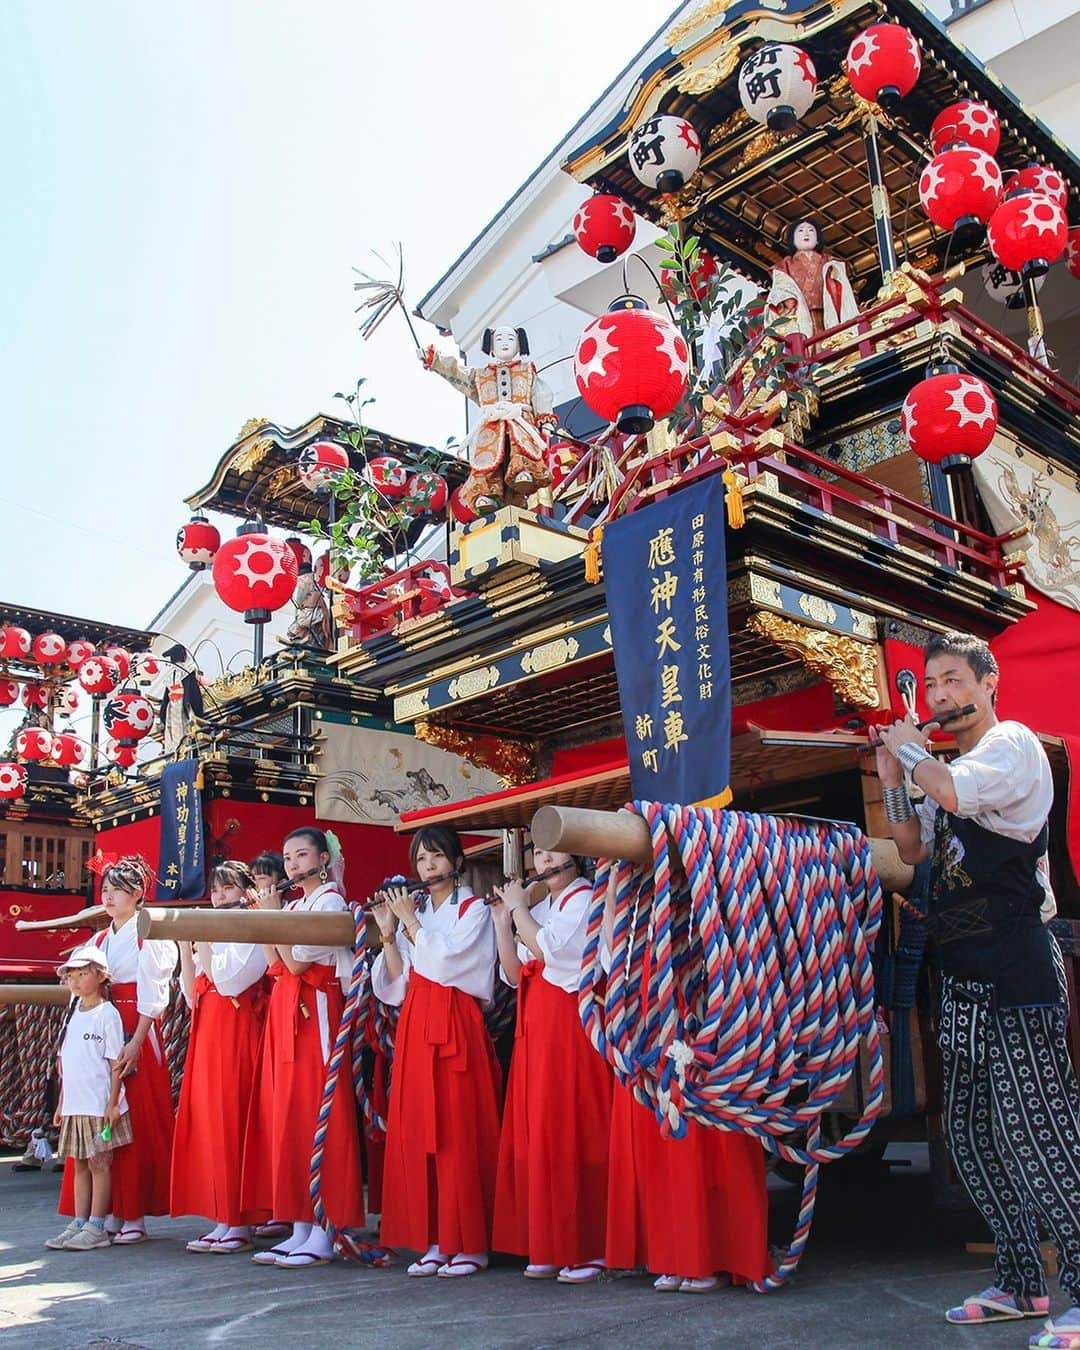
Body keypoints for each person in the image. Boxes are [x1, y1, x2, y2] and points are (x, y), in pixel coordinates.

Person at [874, 631, 1080, 1349]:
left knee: (1038, 1127)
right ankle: (1022, 1279)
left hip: (1016, 962)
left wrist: (910, 753)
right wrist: (890, 771)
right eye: (932, 687)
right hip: (960, 970)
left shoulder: (1011, 746)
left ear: (989, 683)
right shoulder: (943, 763)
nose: (941, 698)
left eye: (954, 681)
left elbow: (953, 790)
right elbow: (910, 847)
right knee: (970, 1131)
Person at [601, 875, 771, 1293]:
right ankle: (676, 1255)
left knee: (708, 1145)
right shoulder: (634, 908)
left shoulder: (710, 888)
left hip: (701, 1017)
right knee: (662, 1150)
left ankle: (714, 1257)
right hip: (651, 1019)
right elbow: (610, 956)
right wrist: (611, 894)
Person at [370, 825, 501, 1278]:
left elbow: (446, 964)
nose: (429, 867)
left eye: (437, 857)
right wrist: (389, 932)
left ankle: (469, 1241)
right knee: (420, 1129)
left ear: (457, 862)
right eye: (422, 860)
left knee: (458, 1129)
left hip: (455, 1019)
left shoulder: (473, 909)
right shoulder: (420, 911)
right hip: (417, 1020)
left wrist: (409, 923)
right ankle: (435, 1238)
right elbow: (397, 982)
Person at [241, 827, 364, 1268]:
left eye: (301, 854)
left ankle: (326, 1227)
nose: (291, 864)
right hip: (289, 1009)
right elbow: (275, 963)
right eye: (287, 856)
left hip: (317, 1009)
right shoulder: (294, 905)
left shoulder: (330, 903)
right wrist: (271, 918)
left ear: (323, 859)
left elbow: (294, 961)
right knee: (290, 1115)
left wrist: (271, 919)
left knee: (318, 1113)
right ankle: (299, 1224)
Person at [491, 850, 614, 1283]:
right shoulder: (542, 908)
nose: (543, 861)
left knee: (573, 1128)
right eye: (538, 853)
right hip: (536, 1028)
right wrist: (503, 924)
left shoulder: (584, 898)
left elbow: (553, 952)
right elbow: (511, 972)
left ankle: (589, 1246)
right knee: (538, 1132)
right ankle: (547, 1241)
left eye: (552, 851)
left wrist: (520, 908)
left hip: (571, 1027)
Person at [57, 856, 177, 1244]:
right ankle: (103, 1211)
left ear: (138, 894)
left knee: (134, 1120)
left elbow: (154, 993)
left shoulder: (149, 934)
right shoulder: (99, 939)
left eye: (117, 889)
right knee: (99, 1117)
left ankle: (135, 1214)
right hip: (101, 1025)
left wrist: (137, 1041)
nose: (107, 896)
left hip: (134, 1026)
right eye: (104, 889)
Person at [171, 861, 269, 1253]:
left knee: (233, 1119)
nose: (220, 896)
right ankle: (219, 1216)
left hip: (237, 1029)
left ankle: (239, 1221)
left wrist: (206, 943)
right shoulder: (217, 933)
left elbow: (230, 982)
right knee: (211, 1121)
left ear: (246, 893)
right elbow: (191, 991)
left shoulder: (252, 928)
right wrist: (184, 945)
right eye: (216, 890)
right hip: (209, 1029)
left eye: (228, 889)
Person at [45, 945, 132, 1251]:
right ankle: (80, 1221)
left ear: (100, 976)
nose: (77, 980)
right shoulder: (72, 1014)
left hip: (98, 1103)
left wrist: (111, 1104)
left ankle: (97, 1225)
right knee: (79, 1164)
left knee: (99, 1163)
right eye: (72, 975)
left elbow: (114, 1064)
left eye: (83, 974)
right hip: (75, 1103)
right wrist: (61, 1102)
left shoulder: (107, 1014)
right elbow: (67, 1063)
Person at [420, 326, 556, 513]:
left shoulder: (527, 371)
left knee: (521, 448)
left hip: (519, 419)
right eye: (499, 339)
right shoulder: (480, 375)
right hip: (491, 424)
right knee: (487, 461)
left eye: (510, 339)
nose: (505, 343)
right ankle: (486, 494)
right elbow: (457, 372)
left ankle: (523, 473)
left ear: (519, 344)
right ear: (491, 346)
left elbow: (541, 394)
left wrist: (545, 420)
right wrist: (435, 360)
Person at [764, 218, 858, 338]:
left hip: (828, 312)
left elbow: (841, 286)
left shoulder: (830, 262)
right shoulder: (784, 266)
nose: (806, 233)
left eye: (811, 231)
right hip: (802, 314)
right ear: (793, 240)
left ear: (818, 239)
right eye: (801, 231)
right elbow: (781, 288)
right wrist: (788, 299)